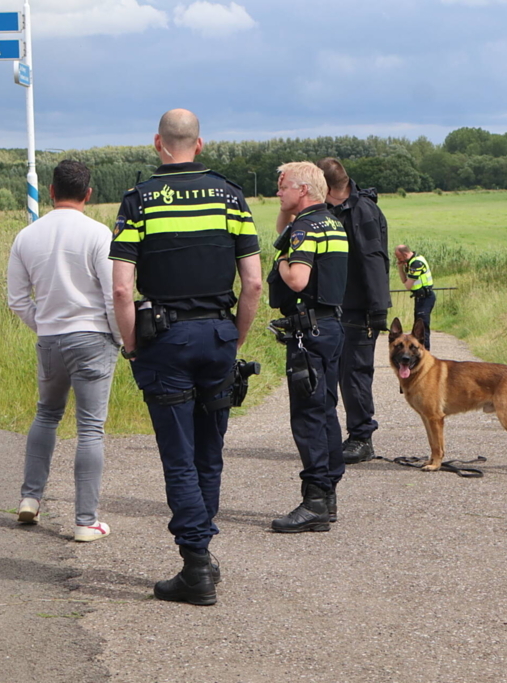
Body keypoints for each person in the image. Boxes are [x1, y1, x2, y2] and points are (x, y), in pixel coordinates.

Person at [111, 109, 261, 606]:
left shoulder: (139, 201)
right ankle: (204, 556)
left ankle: (195, 564)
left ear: (159, 143)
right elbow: (254, 282)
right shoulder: (230, 197)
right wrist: (235, 338)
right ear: (199, 145)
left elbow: (120, 287)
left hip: (165, 342)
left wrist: (132, 345)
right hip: (218, 336)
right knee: (209, 453)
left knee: (179, 458)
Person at [7, 160, 120, 542]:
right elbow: (112, 294)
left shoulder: (26, 236)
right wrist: (121, 339)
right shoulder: (99, 234)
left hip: (50, 338)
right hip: (92, 338)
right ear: (89, 193)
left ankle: (29, 498)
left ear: (51, 191)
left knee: (46, 414)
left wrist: (44, 326)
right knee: (90, 427)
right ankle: (86, 520)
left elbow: (17, 300)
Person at [268, 162, 347, 533]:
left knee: (308, 416)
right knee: (326, 408)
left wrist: (282, 261)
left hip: (309, 333)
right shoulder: (331, 222)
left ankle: (314, 501)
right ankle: (328, 495)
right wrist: (288, 211)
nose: (277, 193)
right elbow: (283, 225)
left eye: (282, 187)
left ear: (303, 190)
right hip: (330, 327)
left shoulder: (305, 228)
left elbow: (298, 280)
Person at [316, 158, 390, 465]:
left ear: (330, 187)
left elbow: (373, 260)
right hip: (333, 306)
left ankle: (362, 438)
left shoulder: (362, 211)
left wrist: (377, 309)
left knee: (355, 374)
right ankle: (331, 435)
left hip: (358, 309)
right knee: (329, 373)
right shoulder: (333, 209)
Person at [395, 244, 435, 350]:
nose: (398, 260)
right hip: (419, 297)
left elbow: (408, 285)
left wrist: (404, 268)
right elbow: (404, 281)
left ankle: (426, 353)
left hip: (426, 297)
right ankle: (420, 351)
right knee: (417, 326)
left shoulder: (417, 263)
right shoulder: (411, 262)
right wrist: (400, 267)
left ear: (405, 254)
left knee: (422, 327)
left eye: (399, 257)